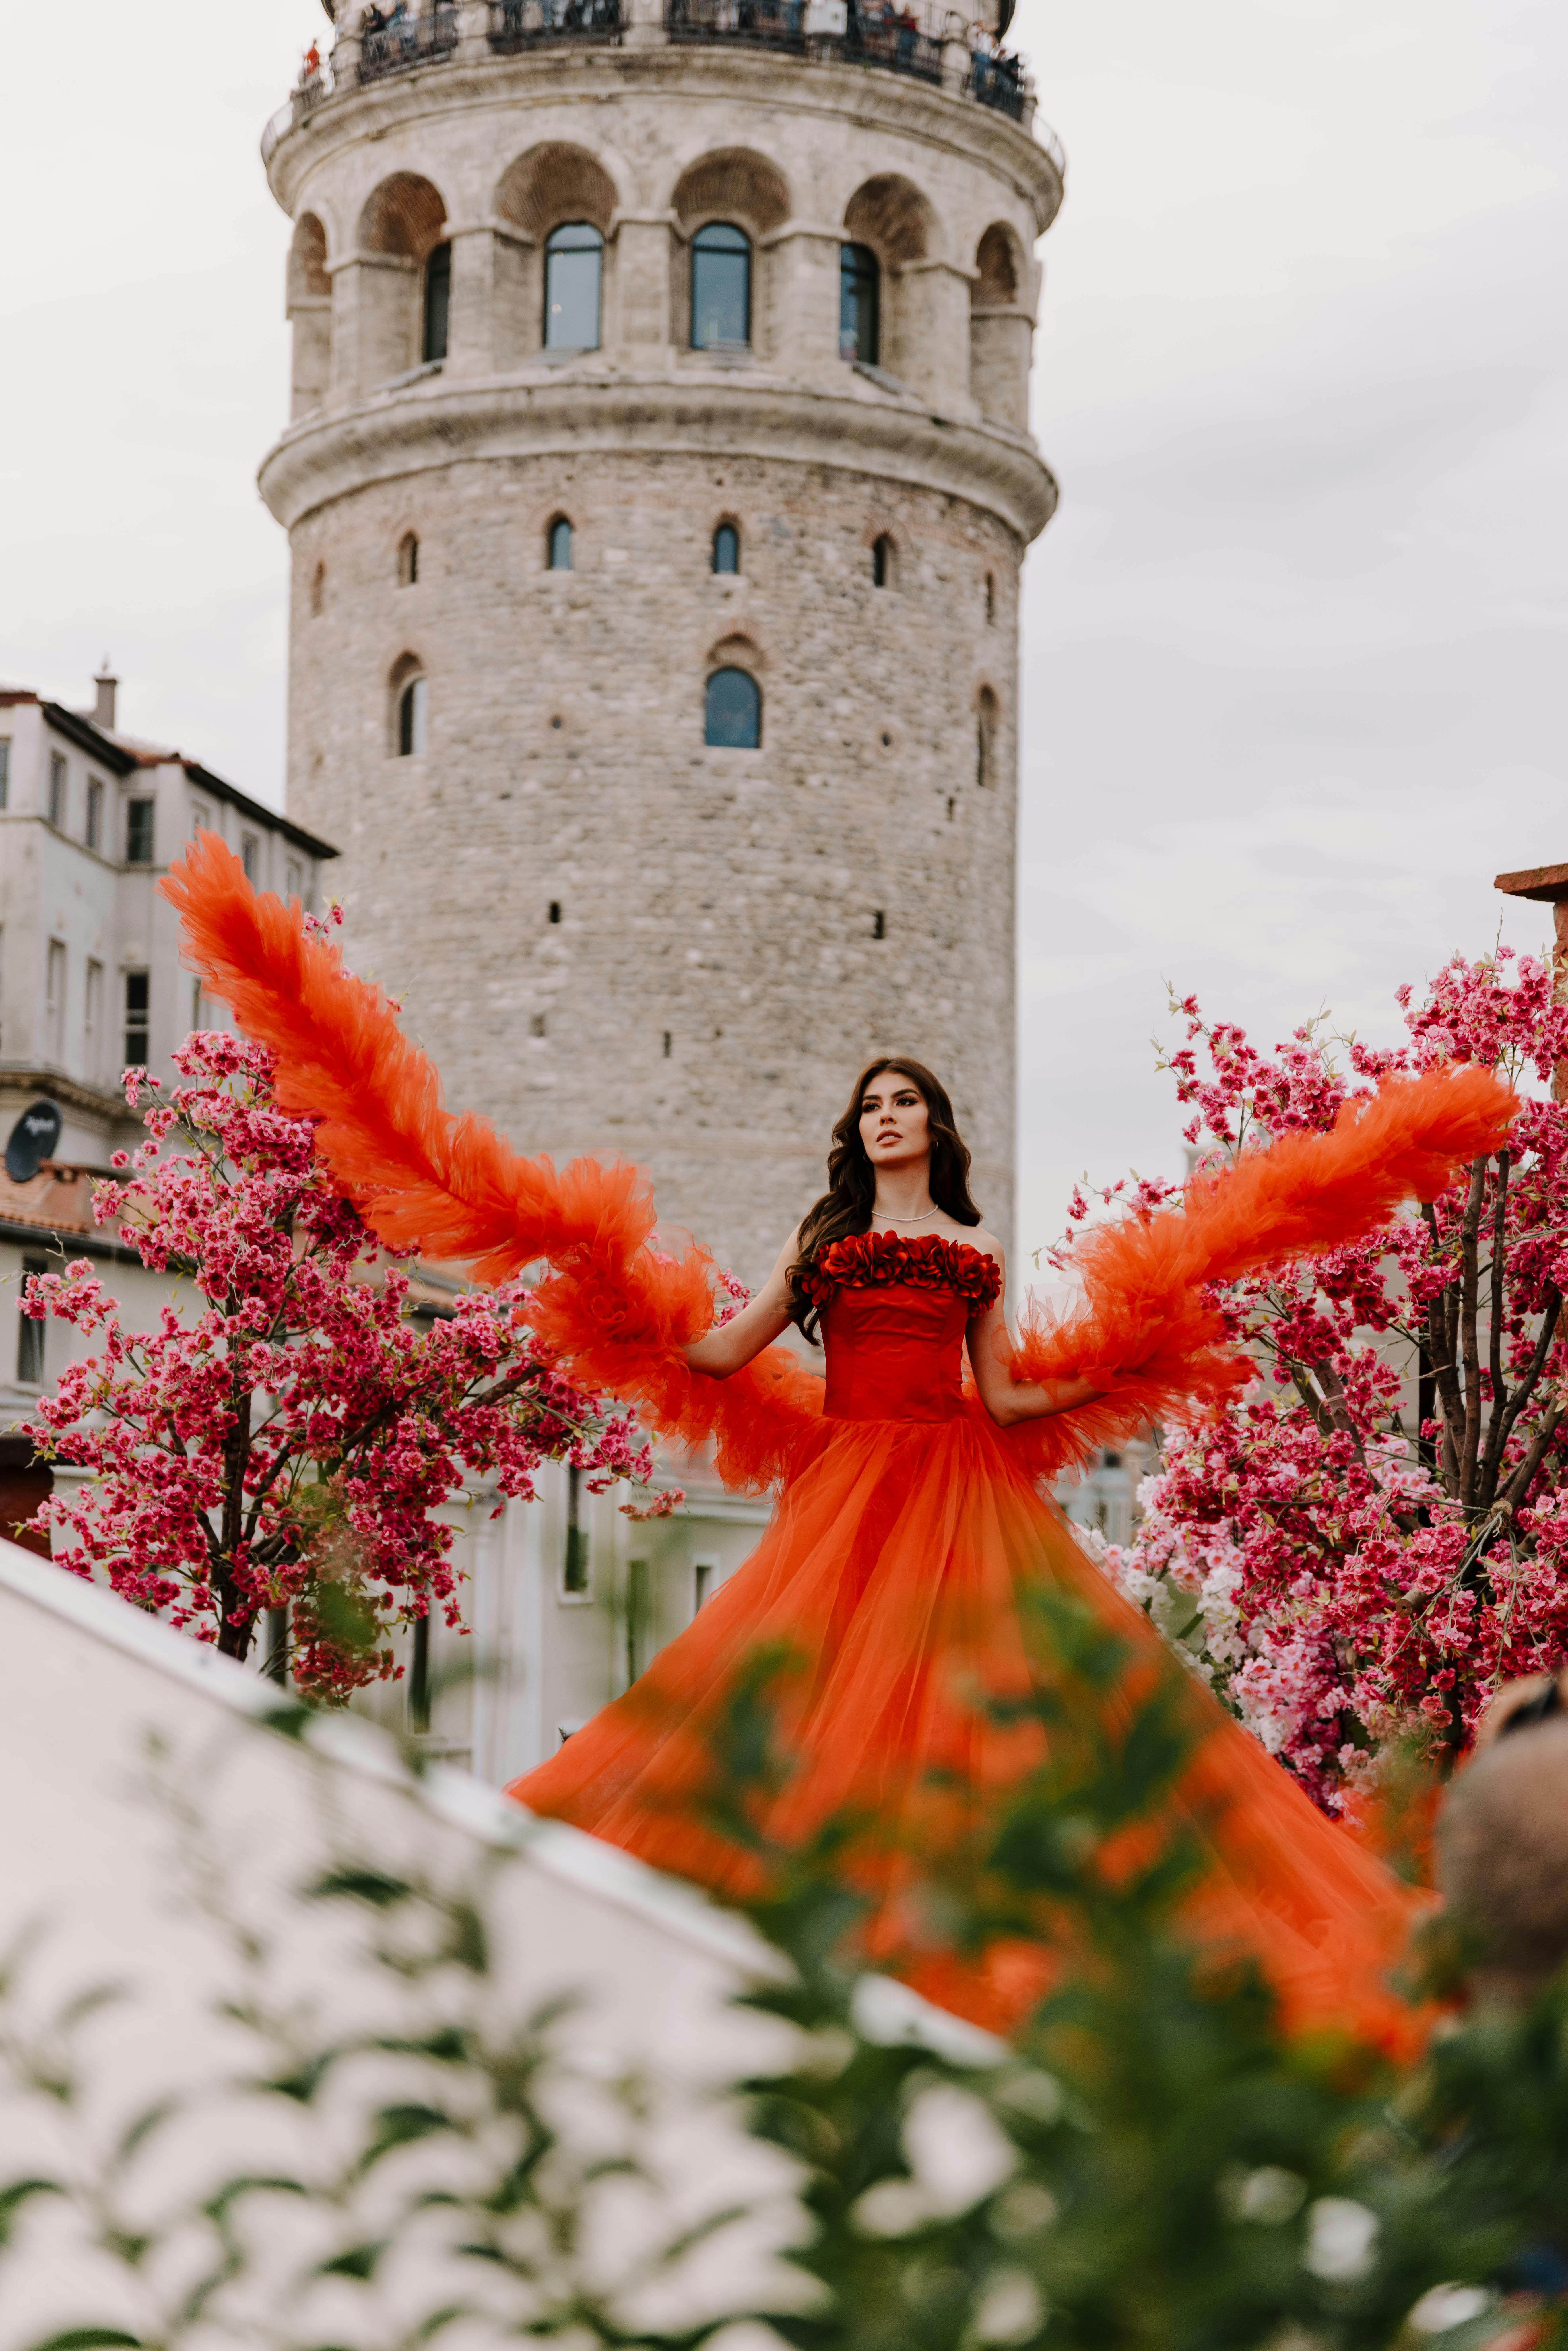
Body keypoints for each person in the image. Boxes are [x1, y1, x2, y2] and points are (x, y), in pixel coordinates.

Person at [161, 830, 1516, 2045]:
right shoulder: (821, 1243)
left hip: (960, 1477)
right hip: (856, 1473)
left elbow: (1006, 1392)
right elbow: (721, 1351)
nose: (887, 1117)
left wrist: (1124, 1368)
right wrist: (602, 1293)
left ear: (935, 1125)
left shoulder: (973, 1250)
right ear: (854, 1131)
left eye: (905, 1102)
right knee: (809, 1686)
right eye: (871, 1104)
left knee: (987, 1704)